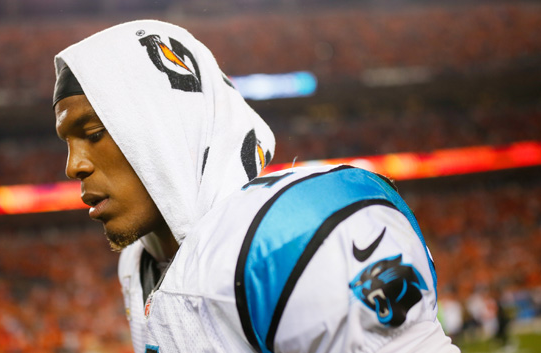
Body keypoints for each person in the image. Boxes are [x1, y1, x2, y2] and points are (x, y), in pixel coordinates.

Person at [53, 19, 460, 353]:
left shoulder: (296, 234)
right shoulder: (138, 262)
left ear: (164, 128)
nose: (74, 167)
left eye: (91, 133)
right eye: (66, 143)